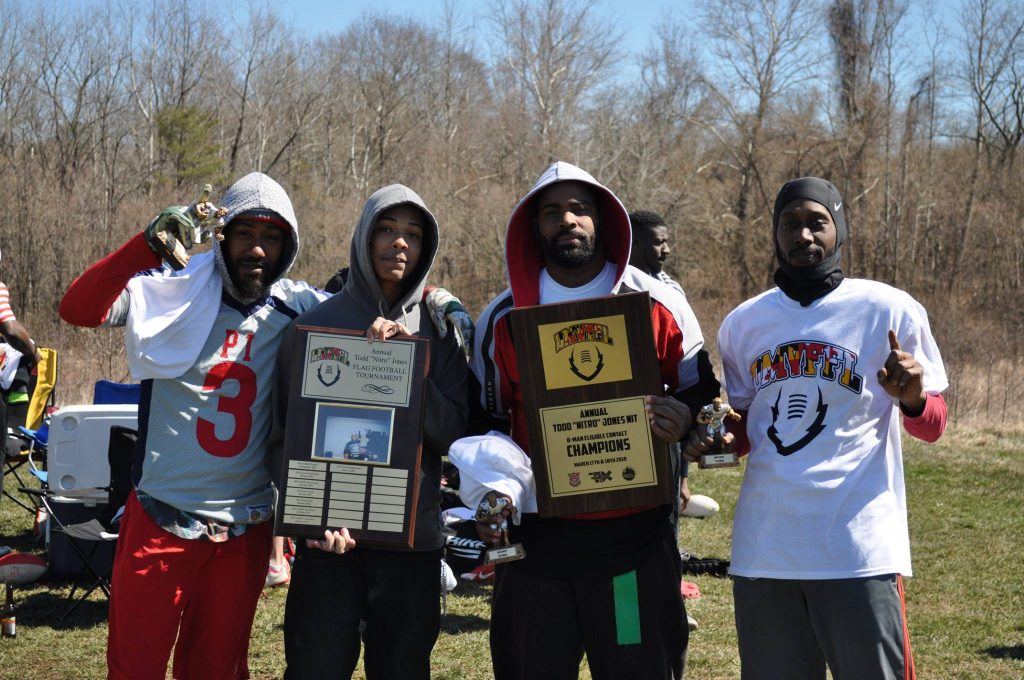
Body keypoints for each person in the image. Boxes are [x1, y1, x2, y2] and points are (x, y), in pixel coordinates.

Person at [60, 172, 332, 679]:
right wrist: (145, 247)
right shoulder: (171, 289)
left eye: (271, 237)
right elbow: (77, 309)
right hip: (163, 513)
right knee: (135, 669)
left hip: (244, 525)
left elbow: (366, 305)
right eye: (245, 233)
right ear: (221, 236)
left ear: (288, 246)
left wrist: (429, 299)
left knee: (216, 670)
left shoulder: (297, 306)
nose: (257, 249)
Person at [470, 161, 721, 679]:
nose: (568, 220)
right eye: (552, 212)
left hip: (632, 547)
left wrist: (683, 418)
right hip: (538, 548)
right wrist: (493, 491)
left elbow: (700, 392)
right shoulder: (503, 317)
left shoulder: (657, 300)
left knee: (637, 668)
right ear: (534, 226)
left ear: (602, 218)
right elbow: (487, 420)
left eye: (580, 209)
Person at [713, 177, 948, 680]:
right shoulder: (743, 323)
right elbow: (747, 431)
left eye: (817, 222)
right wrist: (713, 440)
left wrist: (912, 399)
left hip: (857, 548)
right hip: (766, 549)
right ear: (774, 232)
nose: (803, 236)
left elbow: (933, 426)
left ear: (839, 227)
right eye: (790, 223)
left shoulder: (888, 309)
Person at [274, 184, 468, 680]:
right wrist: (310, 523)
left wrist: (409, 365)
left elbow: (454, 436)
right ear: (363, 236)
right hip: (329, 549)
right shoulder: (313, 327)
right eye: (386, 229)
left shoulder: (439, 331)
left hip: (413, 547)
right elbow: (283, 436)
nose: (399, 242)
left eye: (413, 235)